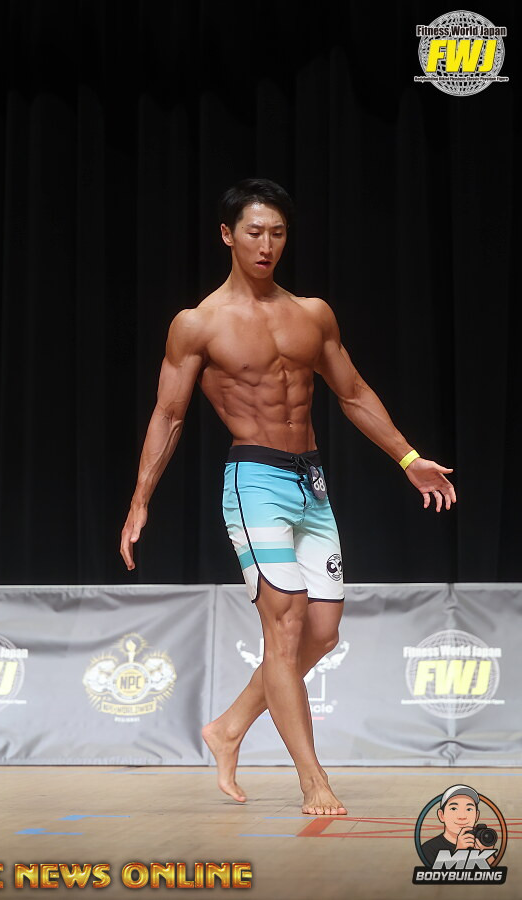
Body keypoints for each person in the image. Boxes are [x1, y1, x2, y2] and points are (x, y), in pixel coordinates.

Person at [120, 177, 456, 816]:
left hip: (311, 481)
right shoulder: (199, 324)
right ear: (227, 235)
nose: (266, 245)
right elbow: (169, 415)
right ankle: (312, 779)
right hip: (254, 479)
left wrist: (410, 460)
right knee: (285, 625)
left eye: (277, 233)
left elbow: (353, 393)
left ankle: (227, 728)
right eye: (254, 232)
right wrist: (141, 500)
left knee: (322, 633)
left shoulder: (312, 314)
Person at [422, 785, 497, 866]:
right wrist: (459, 852)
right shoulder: (428, 848)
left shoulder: (480, 843)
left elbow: (495, 872)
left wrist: (487, 854)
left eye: (469, 809)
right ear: (441, 815)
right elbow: (437, 873)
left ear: (477, 816)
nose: (462, 816)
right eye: (454, 808)